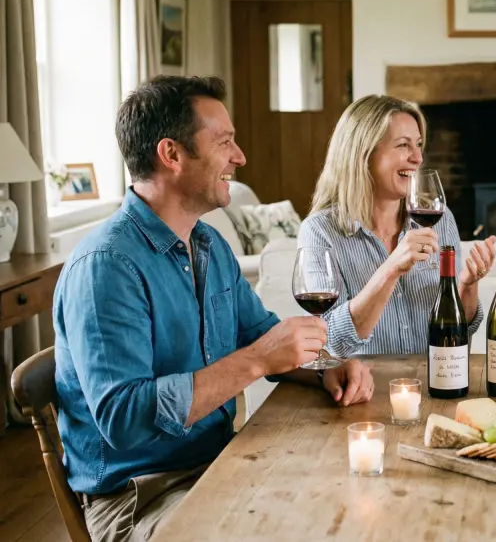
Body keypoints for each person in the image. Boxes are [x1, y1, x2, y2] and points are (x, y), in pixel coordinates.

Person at [53, 75, 374, 542]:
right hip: (141, 495)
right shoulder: (107, 267)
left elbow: (261, 335)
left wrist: (323, 370)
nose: (239, 157)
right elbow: (124, 418)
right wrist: (259, 359)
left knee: (344, 500)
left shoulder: (209, 245)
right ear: (172, 155)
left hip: (219, 460)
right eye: (224, 142)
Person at [299, 94, 496, 356]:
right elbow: (333, 341)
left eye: (419, 145)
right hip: (365, 389)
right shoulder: (320, 232)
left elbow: (459, 333)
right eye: (404, 145)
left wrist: (467, 285)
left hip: (433, 383)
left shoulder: (441, 219)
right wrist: (391, 269)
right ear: (363, 153)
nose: (418, 158)